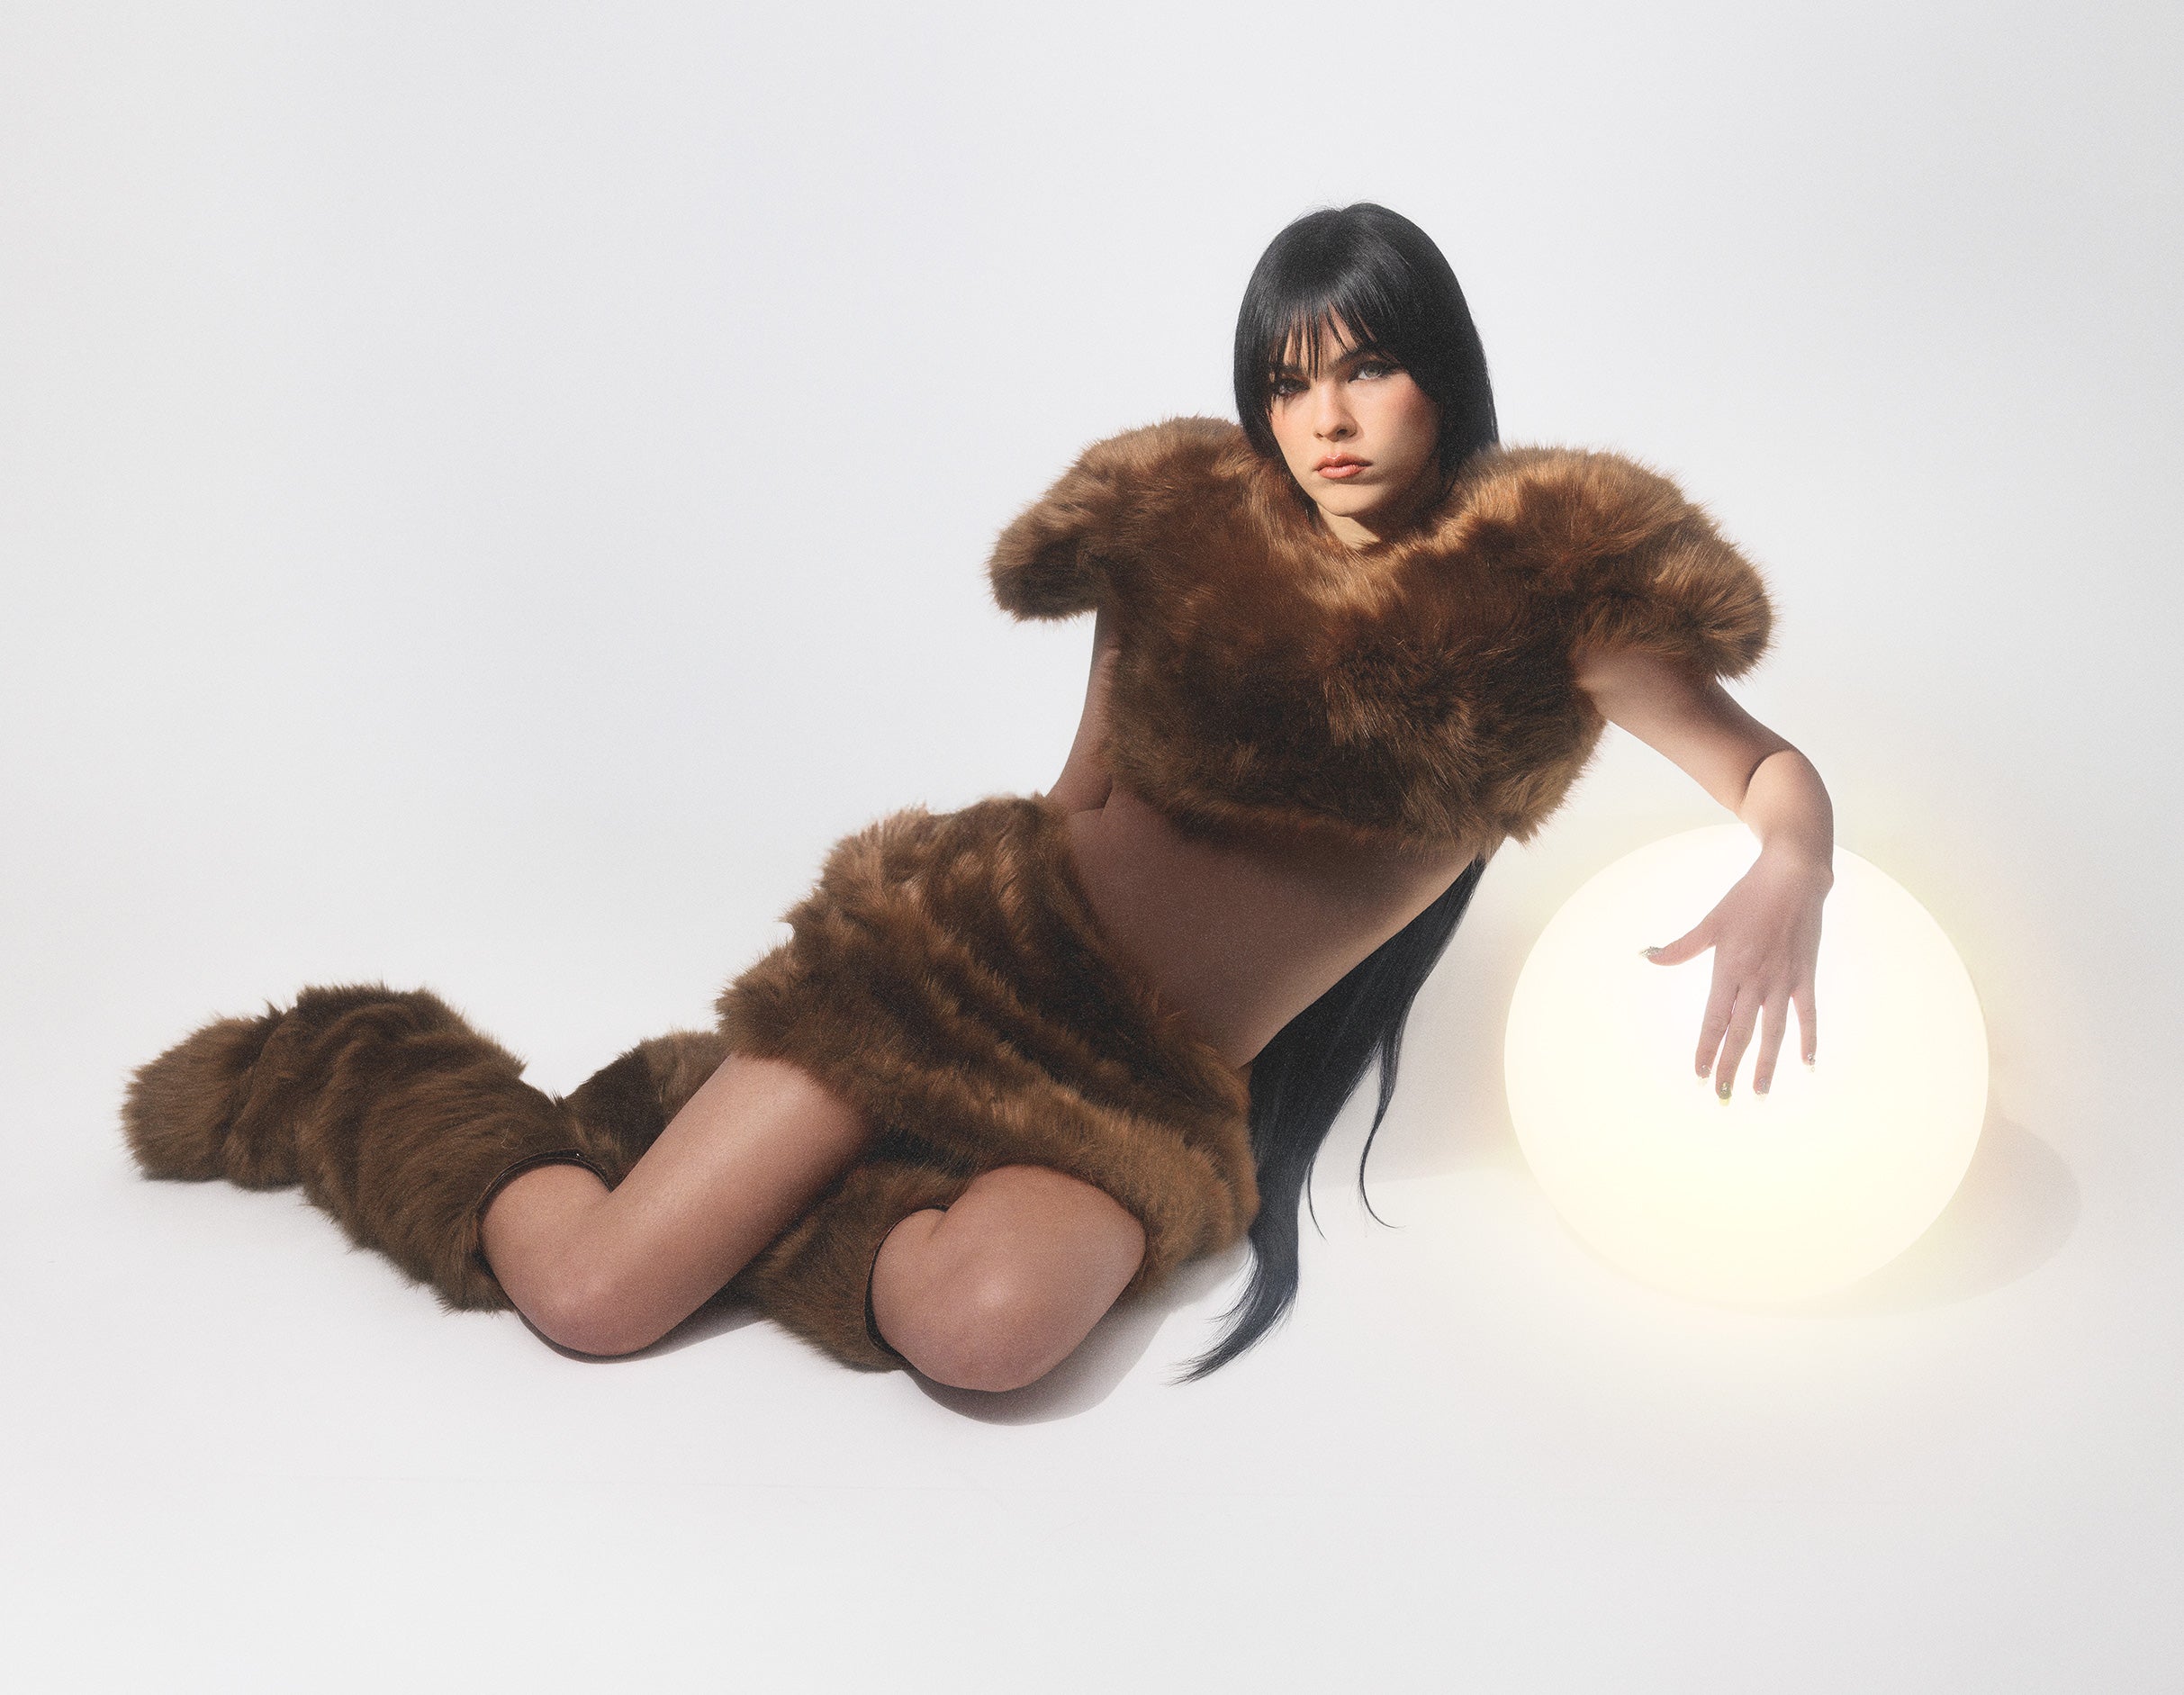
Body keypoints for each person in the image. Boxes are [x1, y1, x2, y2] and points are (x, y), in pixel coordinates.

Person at [122, 204, 1831, 1393]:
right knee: (594, 1302)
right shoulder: (1180, 522)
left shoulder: (1553, 586)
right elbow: (1077, 796)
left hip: (1145, 1082)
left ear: (1439, 371)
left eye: (1363, 367)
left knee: (987, 1334)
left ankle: (736, 1147)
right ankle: (349, 1062)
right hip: (966, 956)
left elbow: (1759, 767)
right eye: (1285, 379)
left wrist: (1787, 868)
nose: (1322, 417)